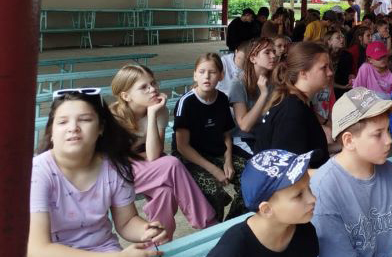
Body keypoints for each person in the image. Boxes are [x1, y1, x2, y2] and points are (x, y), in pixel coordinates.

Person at [28, 90, 169, 256]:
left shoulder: (115, 167)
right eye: (62, 122)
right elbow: (38, 248)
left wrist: (146, 230)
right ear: (51, 131)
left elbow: (126, 222)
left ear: (100, 128)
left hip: (105, 250)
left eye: (85, 119)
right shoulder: (37, 172)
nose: (73, 128)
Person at [110, 66, 216, 241]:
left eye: (153, 83)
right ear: (126, 96)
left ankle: (159, 242)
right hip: (118, 172)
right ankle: (207, 223)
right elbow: (119, 160)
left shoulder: (159, 110)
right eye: (143, 87)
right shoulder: (114, 117)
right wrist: (145, 156)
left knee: (164, 192)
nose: (152, 89)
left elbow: (153, 154)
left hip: (143, 164)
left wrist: (152, 115)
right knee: (171, 163)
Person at [311, 88, 392, 257]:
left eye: (388, 130)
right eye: (378, 134)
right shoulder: (324, 189)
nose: (389, 140)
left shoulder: (391, 172)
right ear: (349, 140)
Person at [174, 53, 247, 223]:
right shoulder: (186, 102)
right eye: (201, 72)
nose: (206, 76)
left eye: (212, 72)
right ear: (195, 75)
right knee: (214, 193)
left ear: (221, 76)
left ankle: (231, 224)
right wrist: (214, 170)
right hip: (191, 158)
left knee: (252, 178)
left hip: (217, 152)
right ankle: (214, 228)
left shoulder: (222, 99)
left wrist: (228, 161)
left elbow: (226, 134)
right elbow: (182, 147)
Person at [207, 149, 318, 257]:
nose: (313, 199)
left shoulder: (304, 230)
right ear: (267, 209)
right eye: (299, 195)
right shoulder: (232, 250)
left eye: (309, 187)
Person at [255, 42, 332, 169]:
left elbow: (310, 150)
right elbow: (289, 171)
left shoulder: (299, 102)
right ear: (303, 73)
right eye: (324, 68)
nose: (330, 73)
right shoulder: (292, 112)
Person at [230, 38, 279, 156]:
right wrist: (263, 95)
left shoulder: (275, 81)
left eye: (274, 51)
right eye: (267, 52)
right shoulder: (239, 84)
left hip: (267, 136)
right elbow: (244, 126)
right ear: (253, 58)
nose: (273, 56)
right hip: (245, 139)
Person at [327, 29, 354, 98]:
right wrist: (342, 87)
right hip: (326, 90)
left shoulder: (346, 55)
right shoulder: (324, 57)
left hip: (340, 89)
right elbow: (327, 81)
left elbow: (349, 73)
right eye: (338, 38)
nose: (342, 39)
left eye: (342, 37)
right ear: (329, 41)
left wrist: (351, 76)